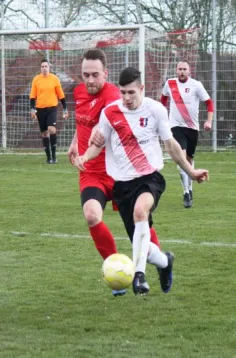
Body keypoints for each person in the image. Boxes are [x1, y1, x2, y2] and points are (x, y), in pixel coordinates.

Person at [74, 67, 209, 295]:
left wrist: (191, 171)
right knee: (146, 249)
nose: (126, 98)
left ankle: (139, 276)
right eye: (123, 93)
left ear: (142, 89)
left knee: (140, 212)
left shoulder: (155, 110)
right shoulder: (110, 113)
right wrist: (85, 156)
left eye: (131, 93)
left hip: (150, 179)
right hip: (122, 185)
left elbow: (172, 146)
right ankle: (165, 263)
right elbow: (98, 144)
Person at [68, 49, 161, 297]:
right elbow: (83, 121)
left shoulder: (114, 96)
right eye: (85, 75)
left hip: (120, 173)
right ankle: (116, 269)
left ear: (105, 73)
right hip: (91, 172)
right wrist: (76, 141)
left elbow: (113, 124)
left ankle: (158, 261)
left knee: (138, 225)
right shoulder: (78, 93)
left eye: (95, 75)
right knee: (91, 215)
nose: (89, 80)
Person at [160, 60, 214, 208]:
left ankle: (190, 189)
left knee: (189, 160)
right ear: (176, 70)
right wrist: (162, 115)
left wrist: (209, 121)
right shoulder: (170, 83)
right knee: (181, 158)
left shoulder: (196, 85)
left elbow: (209, 103)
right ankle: (185, 193)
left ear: (189, 71)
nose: (182, 72)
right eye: (180, 69)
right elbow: (163, 99)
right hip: (175, 127)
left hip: (192, 128)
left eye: (185, 69)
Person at [30, 58, 69, 164]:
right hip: (40, 109)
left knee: (51, 129)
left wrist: (65, 109)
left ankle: (54, 156)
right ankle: (49, 157)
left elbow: (61, 95)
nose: (44, 68)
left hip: (52, 108)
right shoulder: (36, 79)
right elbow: (33, 96)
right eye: (42, 67)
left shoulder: (54, 79)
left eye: (46, 66)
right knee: (44, 133)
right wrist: (32, 109)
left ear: (49, 67)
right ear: (40, 68)